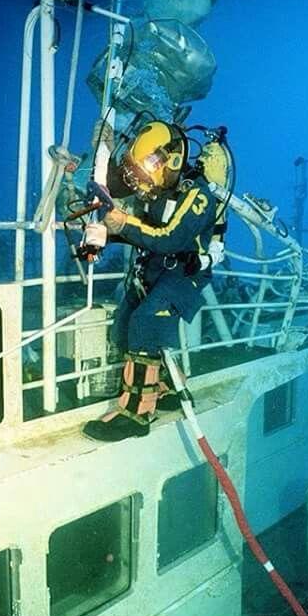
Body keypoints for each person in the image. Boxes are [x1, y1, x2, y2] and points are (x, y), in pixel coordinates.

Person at [82, 120, 221, 442]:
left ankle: (137, 413)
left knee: (145, 324)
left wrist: (124, 224)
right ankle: (166, 389)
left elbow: (171, 238)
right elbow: (114, 187)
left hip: (185, 274)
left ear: (171, 160)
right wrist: (102, 147)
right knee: (124, 325)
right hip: (157, 266)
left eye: (147, 169)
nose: (142, 181)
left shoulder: (197, 196)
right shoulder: (155, 184)